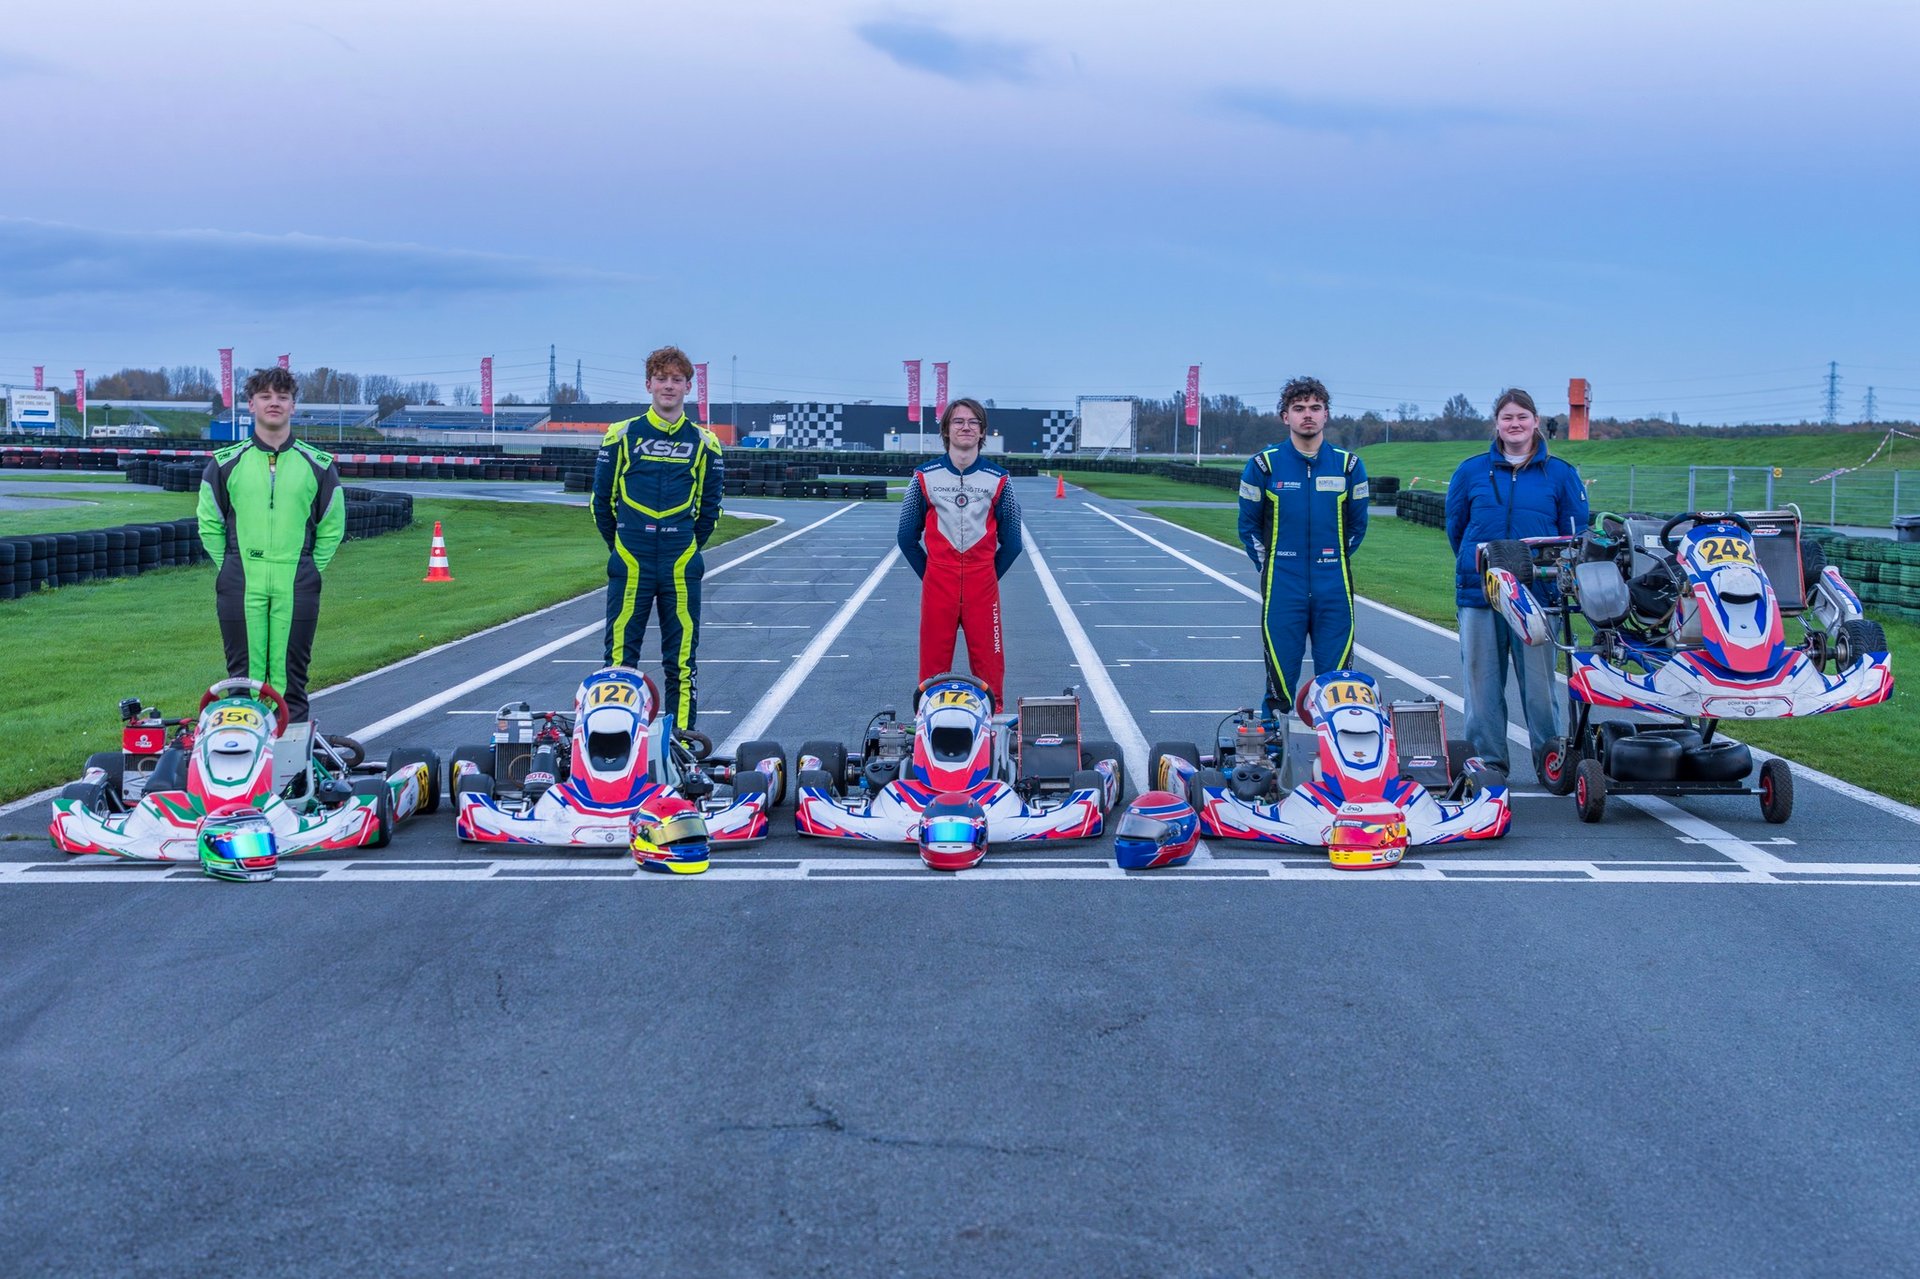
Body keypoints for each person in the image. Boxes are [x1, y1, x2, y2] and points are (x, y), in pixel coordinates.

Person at [197, 366, 345, 779]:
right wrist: (230, 565)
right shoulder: (226, 463)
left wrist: (308, 568)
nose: (274, 402)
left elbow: (332, 523)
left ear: (293, 405)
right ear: (251, 405)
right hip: (241, 580)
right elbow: (209, 521)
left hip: (296, 581)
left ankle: (291, 776)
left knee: (288, 679)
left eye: (281, 395)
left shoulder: (318, 464)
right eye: (265, 396)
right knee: (243, 680)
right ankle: (239, 776)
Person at [1445, 387, 1589, 777]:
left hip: (1538, 596)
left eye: (1522, 417)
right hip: (1481, 595)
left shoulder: (1560, 474)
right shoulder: (1470, 471)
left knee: (1540, 688)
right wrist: (1481, 567)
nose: (1515, 424)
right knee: (1481, 684)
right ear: (1497, 423)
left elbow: (1576, 535)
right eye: (1507, 417)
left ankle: (1551, 760)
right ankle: (1487, 761)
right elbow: (1457, 529)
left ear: (1536, 422)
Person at [591, 346, 725, 729]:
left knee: (682, 660)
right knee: (619, 661)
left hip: (680, 561)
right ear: (648, 384)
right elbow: (602, 503)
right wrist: (621, 545)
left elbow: (710, 507)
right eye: (661, 378)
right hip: (631, 559)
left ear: (688, 387)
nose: (669, 386)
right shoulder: (622, 434)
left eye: (677, 379)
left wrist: (684, 545)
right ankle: (615, 742)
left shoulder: (705, 442)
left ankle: (682, 742)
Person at [1237, 376, 1369, 720]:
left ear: (1326, 415)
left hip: (1334, 586)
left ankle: (1338, 756)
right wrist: (1271, 565)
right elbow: (1247, 527)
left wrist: (1330, 560)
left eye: (1315, 408)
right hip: (1284, 585)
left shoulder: (1349, 466)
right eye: (1298, 409)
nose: (1307, 415)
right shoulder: (1263, 465)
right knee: (1280, 682)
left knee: (1337, 683)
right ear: (1285, 417)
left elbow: (1357, 527)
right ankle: (1268, 751)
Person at [897, 397, 1023, 708]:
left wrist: (987, 574)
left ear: (982, 432)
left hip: (983, 583)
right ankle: (928, 724)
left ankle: (992, 731)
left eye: (973, 423)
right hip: (939, 579)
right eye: (958, 422)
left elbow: (1014, 542)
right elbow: (905, 537)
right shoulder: (924, 476)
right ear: (946, 430)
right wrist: (932, 573)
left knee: (989, 667)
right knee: (932, 668)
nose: (965, 427)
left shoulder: (1000, 479)